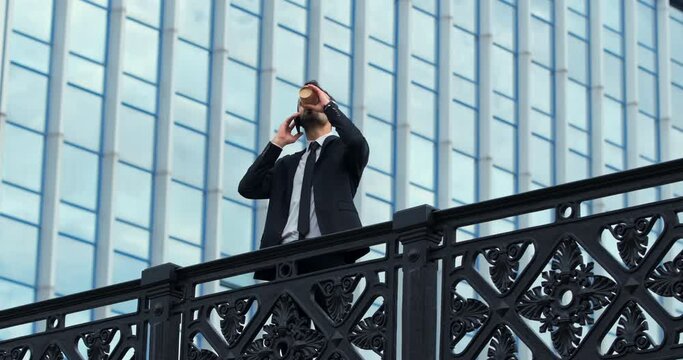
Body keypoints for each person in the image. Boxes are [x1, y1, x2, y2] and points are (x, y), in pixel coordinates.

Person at [238, 81, 370, 280]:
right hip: (285, 261)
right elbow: (248, 187)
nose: (310, 105)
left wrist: (329, 106)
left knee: (327, 312)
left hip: (330, 252)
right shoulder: (286, 165)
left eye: (318, 100)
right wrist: (277, 143)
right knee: (285, 312)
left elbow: (357, 142)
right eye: (303, 104)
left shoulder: (344, 151)